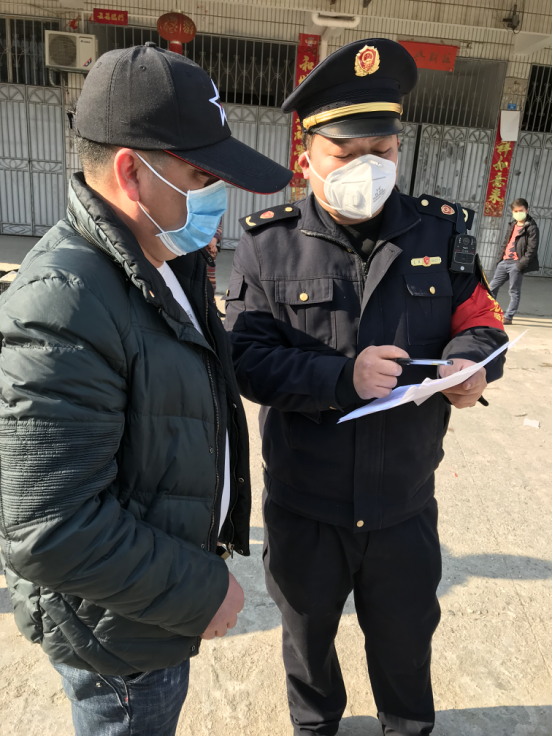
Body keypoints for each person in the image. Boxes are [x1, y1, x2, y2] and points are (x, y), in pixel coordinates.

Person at [0, 43, 291, 737]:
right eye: (202, 176)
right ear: (132, 172)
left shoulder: (164, 256)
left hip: (148, 603)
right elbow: (48, 528)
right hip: (119, 633)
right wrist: (200, 590)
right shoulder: (65, 302)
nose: (217, 196)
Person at [225, 38, 509, 737]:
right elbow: (246, 360)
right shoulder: (268, 243)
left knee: (405, 642)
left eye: (380, 150)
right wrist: (339, 378)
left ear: (398, 147)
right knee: (308, 643)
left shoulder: (440, 234)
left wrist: (470, 366)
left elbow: (482, 321)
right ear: (307, 158)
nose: (366, 168)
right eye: (344, 154)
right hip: (306, 505)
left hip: (403, 504)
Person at [489, 198, 540, 324]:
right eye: (515, 211)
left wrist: (520, 265)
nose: (518, 213)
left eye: (520, 211)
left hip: (516, 264)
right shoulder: (512, 225)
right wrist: (499, 260)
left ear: (527, 210)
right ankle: (489, 312)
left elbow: (532, 249)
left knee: (513, 292)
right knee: (491, 288)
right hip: (504, 262)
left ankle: (508, 317)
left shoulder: (532, 228)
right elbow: (505, 243)